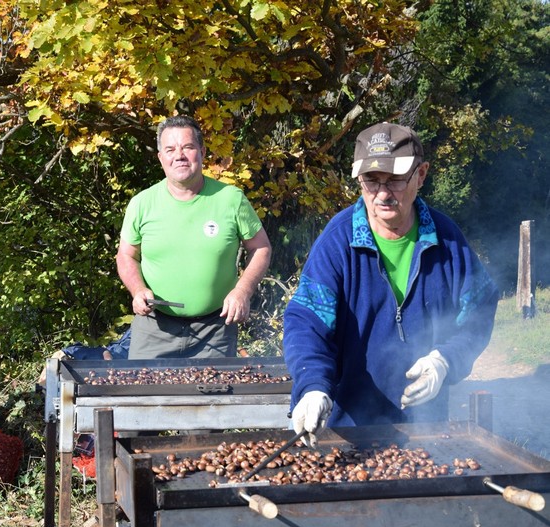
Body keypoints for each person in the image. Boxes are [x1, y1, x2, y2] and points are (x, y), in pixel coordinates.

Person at [283, 122, 499, 446]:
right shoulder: (337, 241)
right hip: (348, 431)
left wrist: (446, 360)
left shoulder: (447, 239)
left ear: (421, 175)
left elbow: (479, 309)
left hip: (426, 429)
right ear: (358, 180)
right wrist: (312, 385)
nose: (382, 194)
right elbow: (307, 323)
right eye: (371, 180)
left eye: (395, 179)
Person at [116, 115, 272, 359]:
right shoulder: (142, 203)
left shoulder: (230, 199)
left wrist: (243, 290)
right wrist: (137, 289)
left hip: (215, 331)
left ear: (202, 151)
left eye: (187, 147)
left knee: (214, 397)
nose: (179, 155)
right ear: (160, 158)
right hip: (154, 330)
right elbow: (126, 255)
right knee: (146, 397)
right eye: (170, 149)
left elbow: (261, 247)